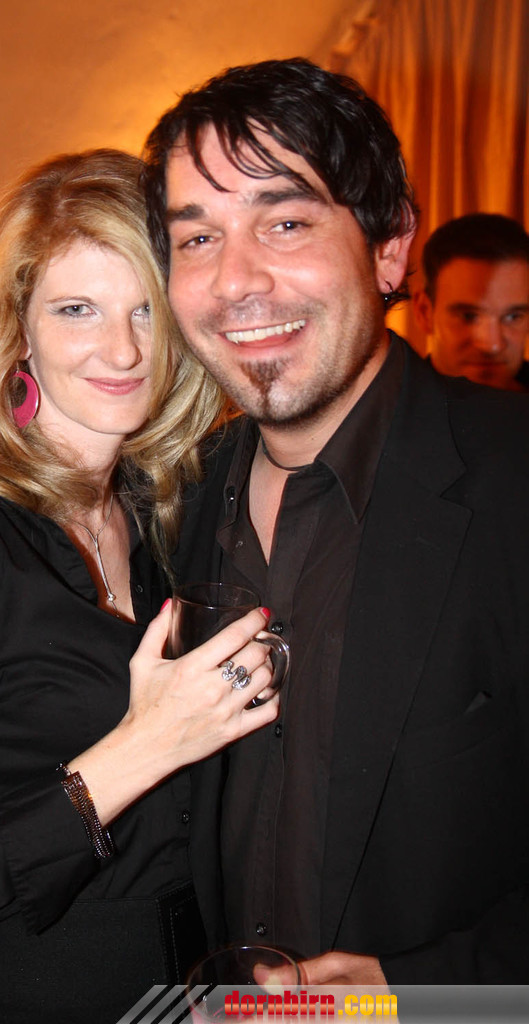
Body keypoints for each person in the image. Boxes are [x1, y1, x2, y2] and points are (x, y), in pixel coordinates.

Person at [0, 150, 280, 1024]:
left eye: (144, 308)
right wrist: (144, 746)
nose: (122, 349)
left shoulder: (175, 517)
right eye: (76, 309)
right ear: (17, 328)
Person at [141, 58, 529, 984]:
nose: (234, 281)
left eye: (284, 222)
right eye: (197, 238)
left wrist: (420, 994)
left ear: (388, 248)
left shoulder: (512, 480)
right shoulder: (167, 504)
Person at [413, 213, 529, 391]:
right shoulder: (388, 406)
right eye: (469, 316)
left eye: (513, 317)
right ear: (424, 312)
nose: (492, 346)